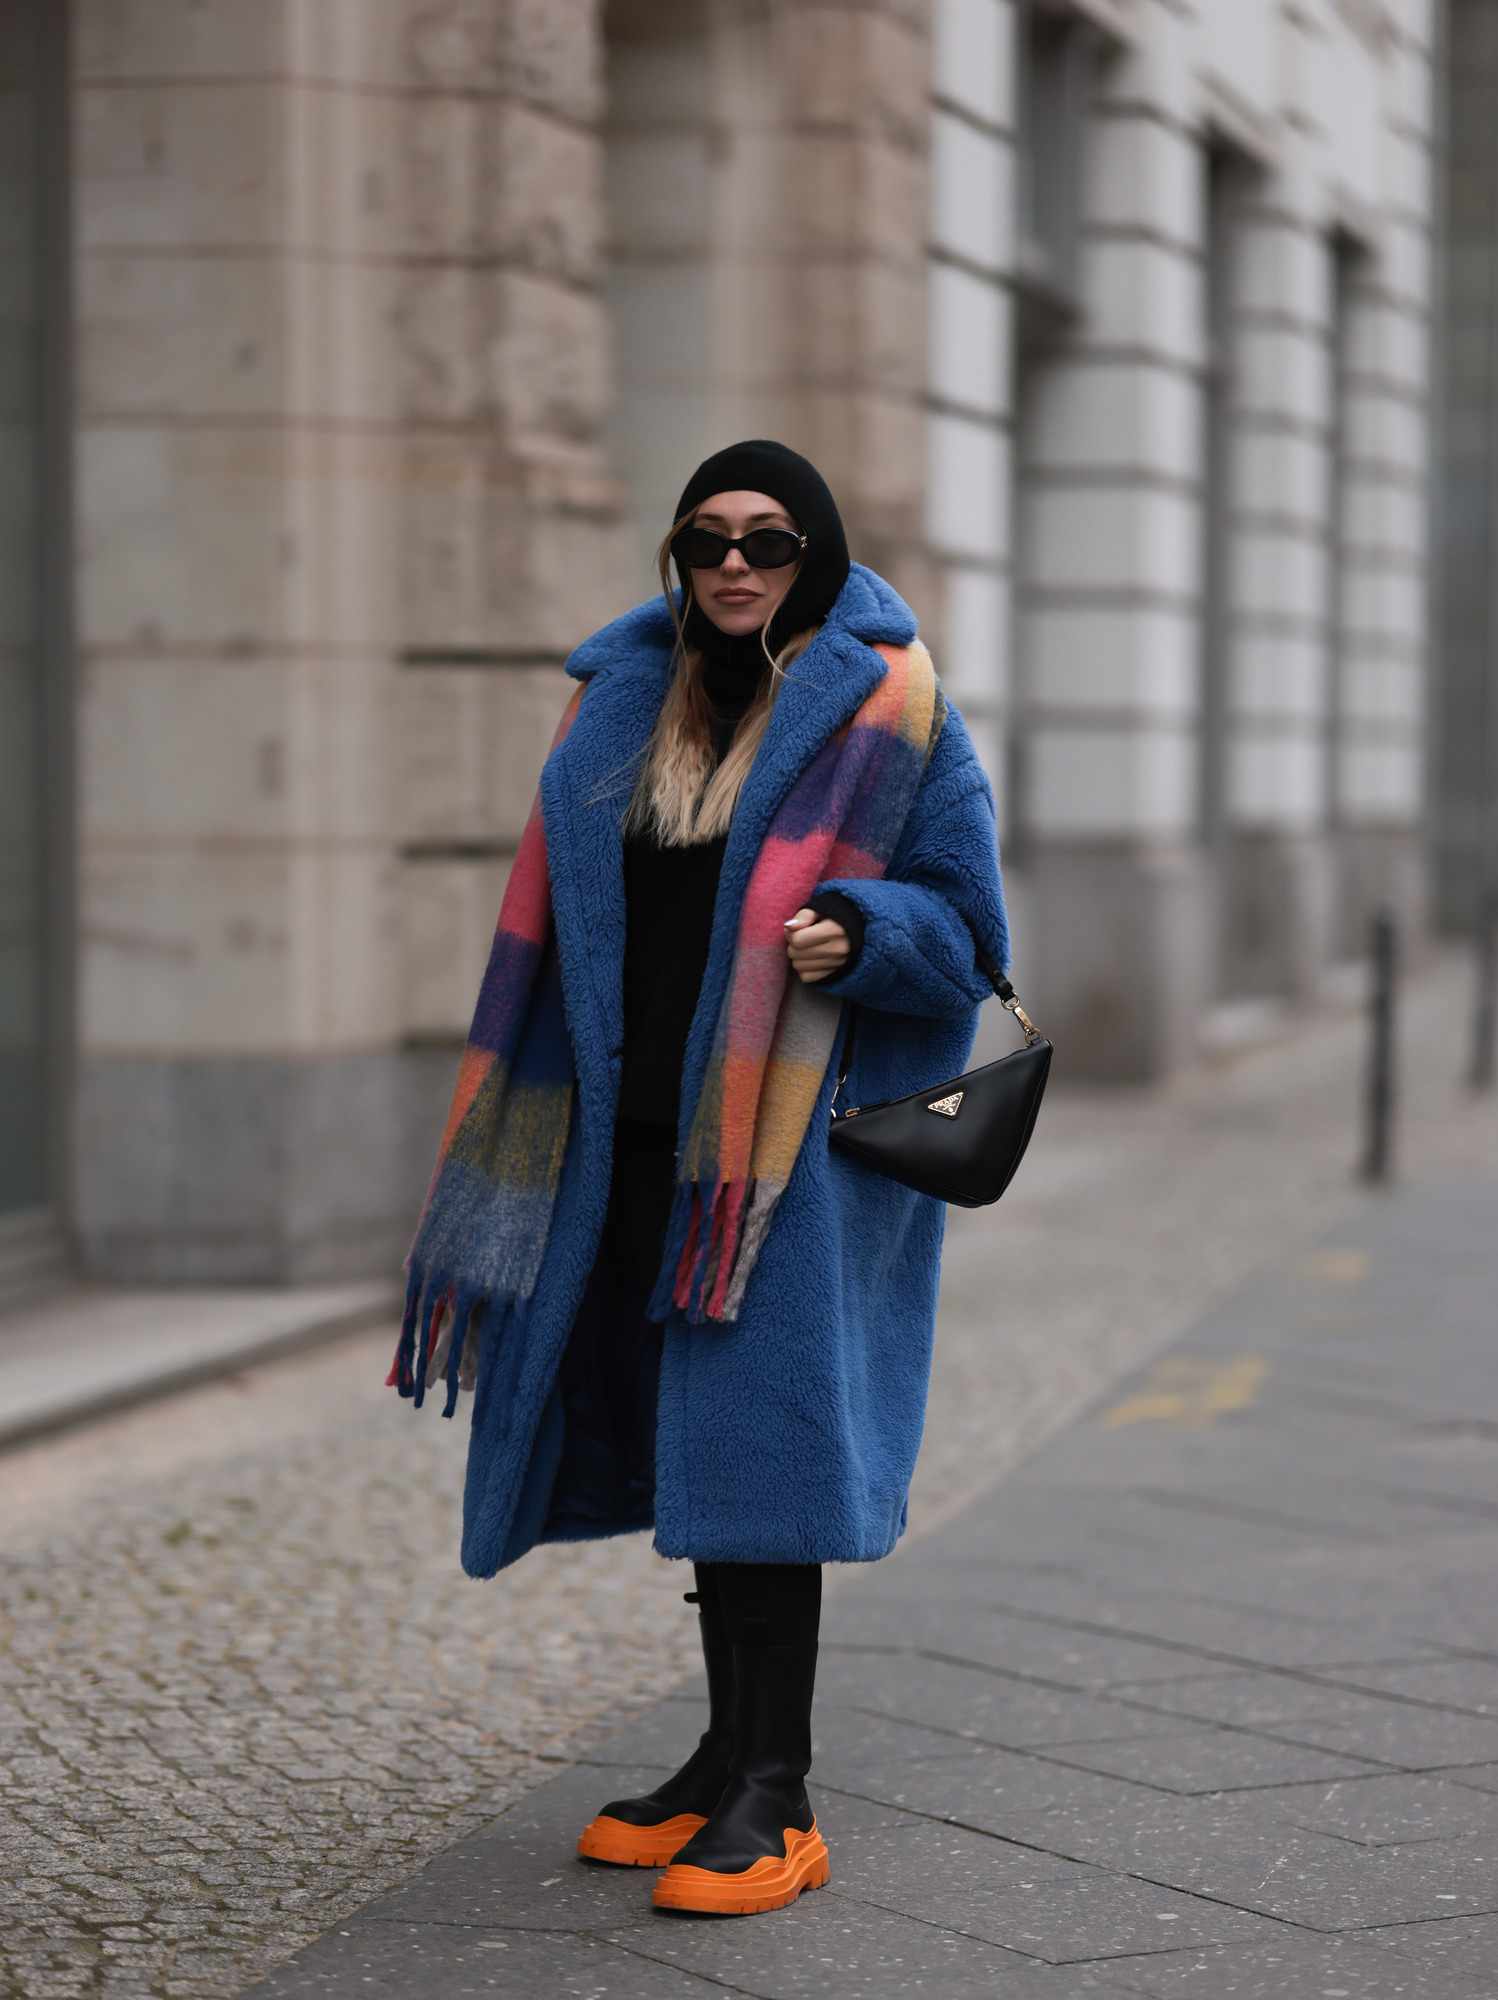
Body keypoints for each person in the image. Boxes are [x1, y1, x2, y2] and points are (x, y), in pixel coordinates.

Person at [389, 439, 1011, 1919]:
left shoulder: (892, 706)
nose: (737, 564)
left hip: (778, 1166)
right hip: (630, 1147)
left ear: (820, 555)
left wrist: (866, 931)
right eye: (709, 540)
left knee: (762, 1465)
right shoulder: (621, 703)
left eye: (771, 541)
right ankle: (725, 1749)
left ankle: (776, 1792)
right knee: (695, 1454)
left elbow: (972, 929)